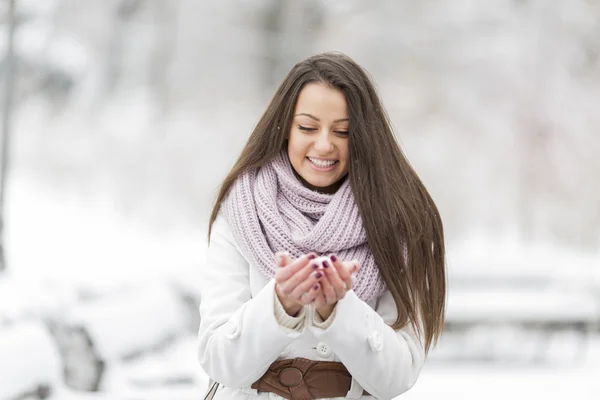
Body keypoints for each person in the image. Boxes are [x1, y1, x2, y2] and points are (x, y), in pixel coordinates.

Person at [198, 52, 446, 400]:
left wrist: (338, 311)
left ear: (365, 135)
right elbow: (217, 359)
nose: (325, 144)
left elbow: (400, 373)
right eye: (308, 127)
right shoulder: (242, 209)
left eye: (343, 131)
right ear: (284, 127)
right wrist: (280, 306)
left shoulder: (400, 220)